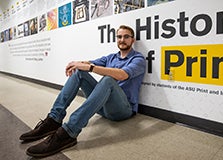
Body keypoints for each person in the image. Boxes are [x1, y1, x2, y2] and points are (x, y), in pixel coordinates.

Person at [19, 25, 146, 157]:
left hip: (122, 110)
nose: (122, 39)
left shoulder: (138, 59)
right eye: (119, 36)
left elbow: (121, 75)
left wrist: (90, 67)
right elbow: (88, 63)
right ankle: (53, 120)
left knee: (108, 80)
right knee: (79, 71)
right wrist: (75, 63)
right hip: (103, 108)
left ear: (133, 40)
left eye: (126, 37)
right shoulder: (111, 57)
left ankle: (68, 132)